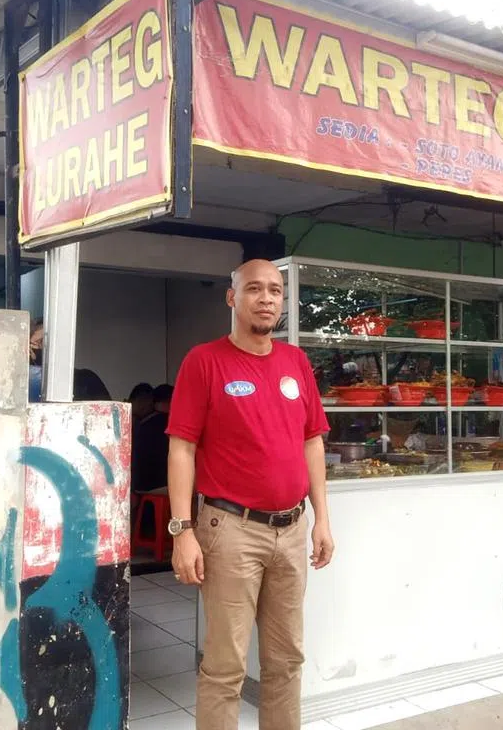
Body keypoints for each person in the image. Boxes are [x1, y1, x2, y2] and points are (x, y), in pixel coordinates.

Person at [165, 258, 334, 730]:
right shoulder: (205, 361)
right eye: (254, 289)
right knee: (225, 666)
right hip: (229, 530)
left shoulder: (295, 362)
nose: (266, 299)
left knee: (286, 661)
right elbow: (182, 449)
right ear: (232, 297)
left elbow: (312, 441)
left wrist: (321, 518)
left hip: (292, 528)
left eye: (275, 291)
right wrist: (182, 531)